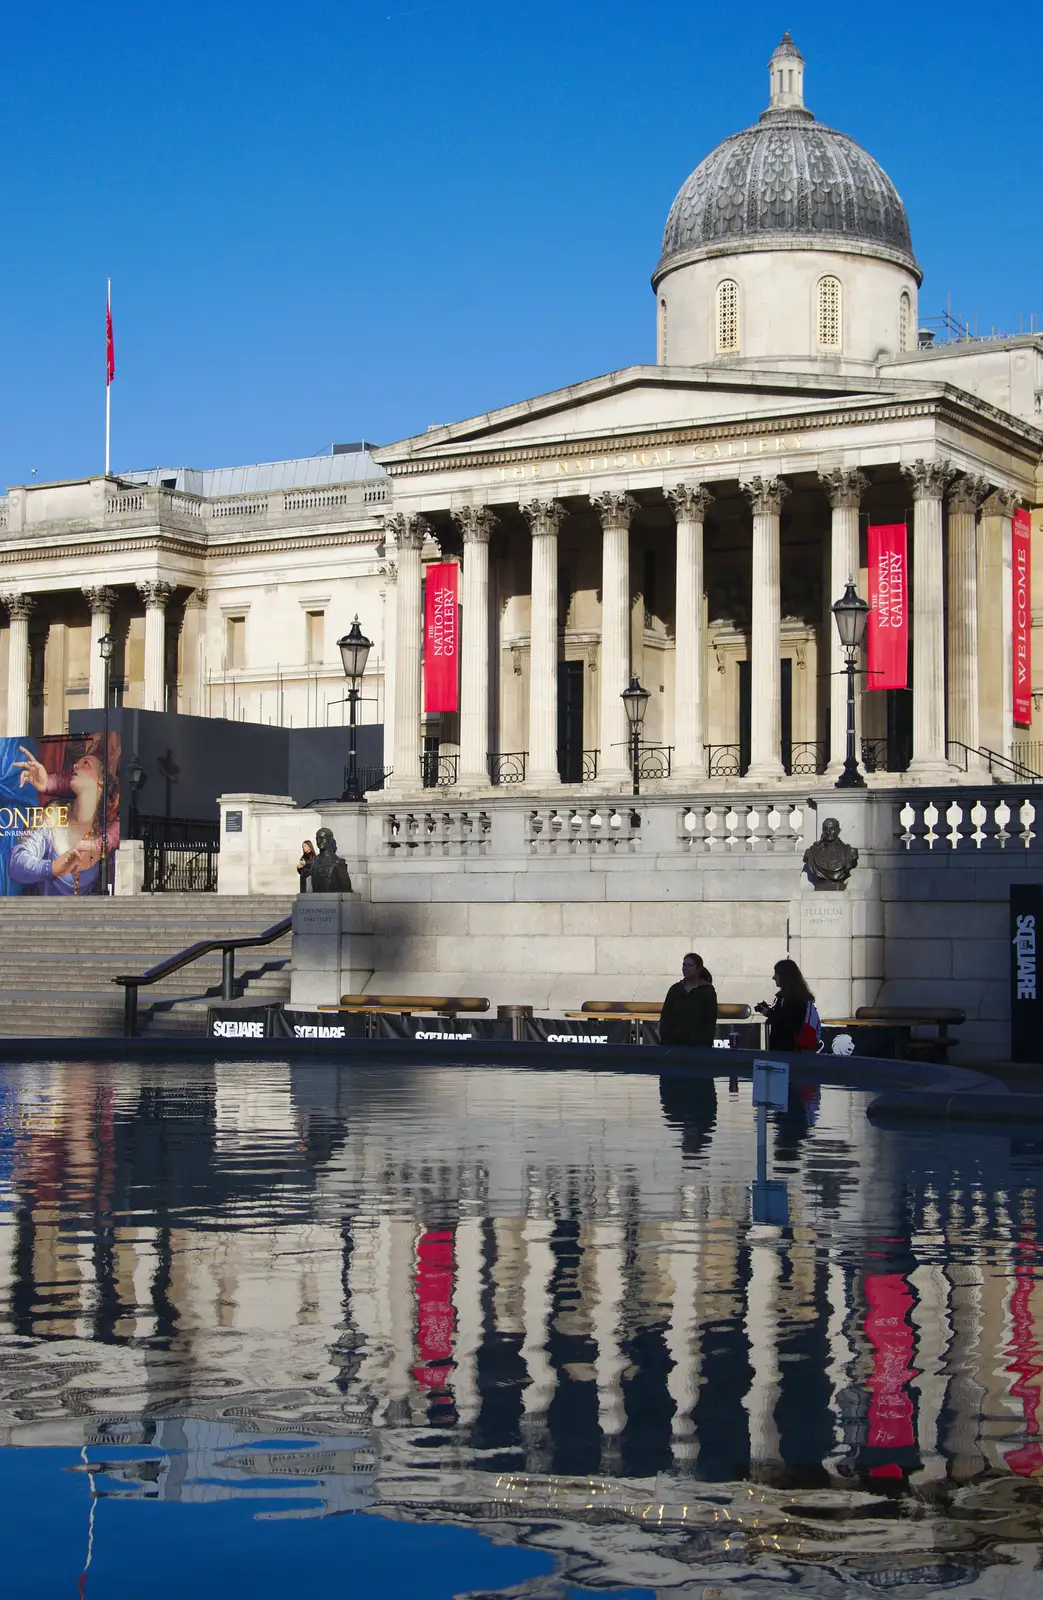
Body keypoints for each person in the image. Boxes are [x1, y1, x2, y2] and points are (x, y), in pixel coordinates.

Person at [9, 746, 110, 896]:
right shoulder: (52, 816)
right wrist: (53, 868)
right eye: (77, 763)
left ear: (102, 780)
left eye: (86, 763)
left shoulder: (106, 833)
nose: (76, 766)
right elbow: (16, 863)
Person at [756, 958, 820, 1051]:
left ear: (784, 976)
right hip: (788, 1051)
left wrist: (769, 1013)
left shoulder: (794, 998)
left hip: (789, 1052)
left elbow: (788, 1024)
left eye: (776, 973)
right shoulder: (795, 996)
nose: (773, 977)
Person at [659, 952, 718, 1047]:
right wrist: (666, 1039)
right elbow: (665, 1017)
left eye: (690, 965)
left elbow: (710, 1020)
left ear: (698, 969)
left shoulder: (707, 991)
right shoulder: (675, 989)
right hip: (673, 1043)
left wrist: (704, 1043)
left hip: (698, 1045)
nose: (685, 968)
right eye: (684, 965)